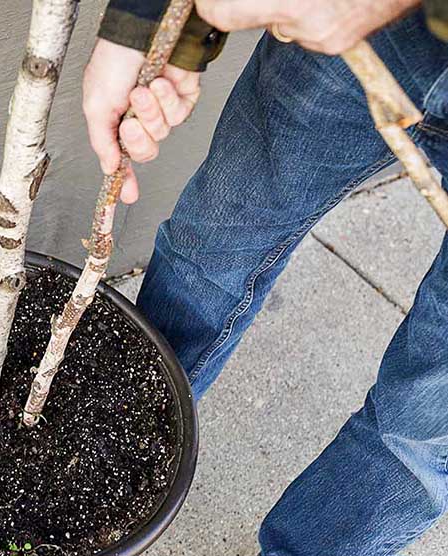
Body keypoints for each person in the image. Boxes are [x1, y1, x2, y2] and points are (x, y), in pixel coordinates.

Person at [82, 0, 448, 554]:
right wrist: (150, 26)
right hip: (378, 39)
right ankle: (96, 470)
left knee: (422, 427)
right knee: (209, 253)